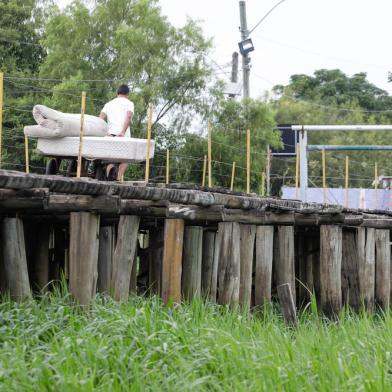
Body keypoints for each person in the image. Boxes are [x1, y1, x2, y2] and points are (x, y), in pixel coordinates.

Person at [99, 84, 134, 180]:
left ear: (117, 93)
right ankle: (118, 179)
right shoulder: (129, 103)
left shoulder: (109, 104)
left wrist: (105, 133)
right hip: (123, 136)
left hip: (110, 135)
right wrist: (122, 132)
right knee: (125, 159)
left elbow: (100, 119)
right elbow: (129, 116)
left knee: (110, 159)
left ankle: (108, 179)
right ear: (127, 94)